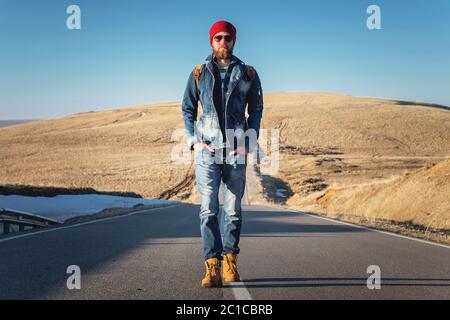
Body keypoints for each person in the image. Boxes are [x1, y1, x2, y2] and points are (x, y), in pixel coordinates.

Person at [182, 20, 263, 288]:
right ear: (211, 41)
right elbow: (187, 108)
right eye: (218, 38)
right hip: (208, 150)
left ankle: (230, 262)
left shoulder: (248, 73)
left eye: (228, 38)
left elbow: (257, 109)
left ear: (234, 41)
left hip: (236, 151)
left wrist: (247, 142)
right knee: (208, 209)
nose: (223, 42)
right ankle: (211, 266)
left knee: (233, 210)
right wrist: (195, 142)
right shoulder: (199, 73)